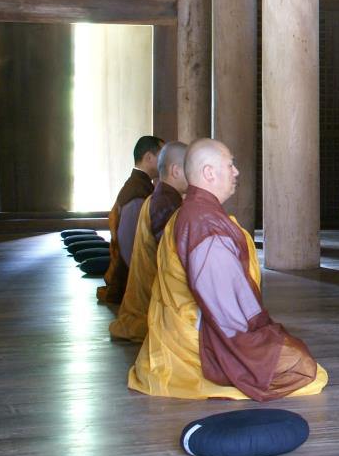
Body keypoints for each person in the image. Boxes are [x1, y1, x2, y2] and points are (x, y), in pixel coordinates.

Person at [128, 138, 327, 401]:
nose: (236, 172)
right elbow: (225, 307)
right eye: (230, 165)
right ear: (209, 172)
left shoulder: (195, 212)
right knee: (306, 373)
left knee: (294, 358)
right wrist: (258, 344)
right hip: (195, 342)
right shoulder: (204, 223)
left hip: (180, 331)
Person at [109, 141, 188, 343]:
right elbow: (177, 261)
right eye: (191, 168)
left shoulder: (163, 197)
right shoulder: (163, 203)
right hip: (152, 299)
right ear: (176, 171)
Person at [98, 135, 163, 305]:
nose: (166, 161)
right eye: (162, 155)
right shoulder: (137, 192)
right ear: (149, 158)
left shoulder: (140, 186)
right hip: (131, 282)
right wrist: (143, 280)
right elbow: (129, 245)